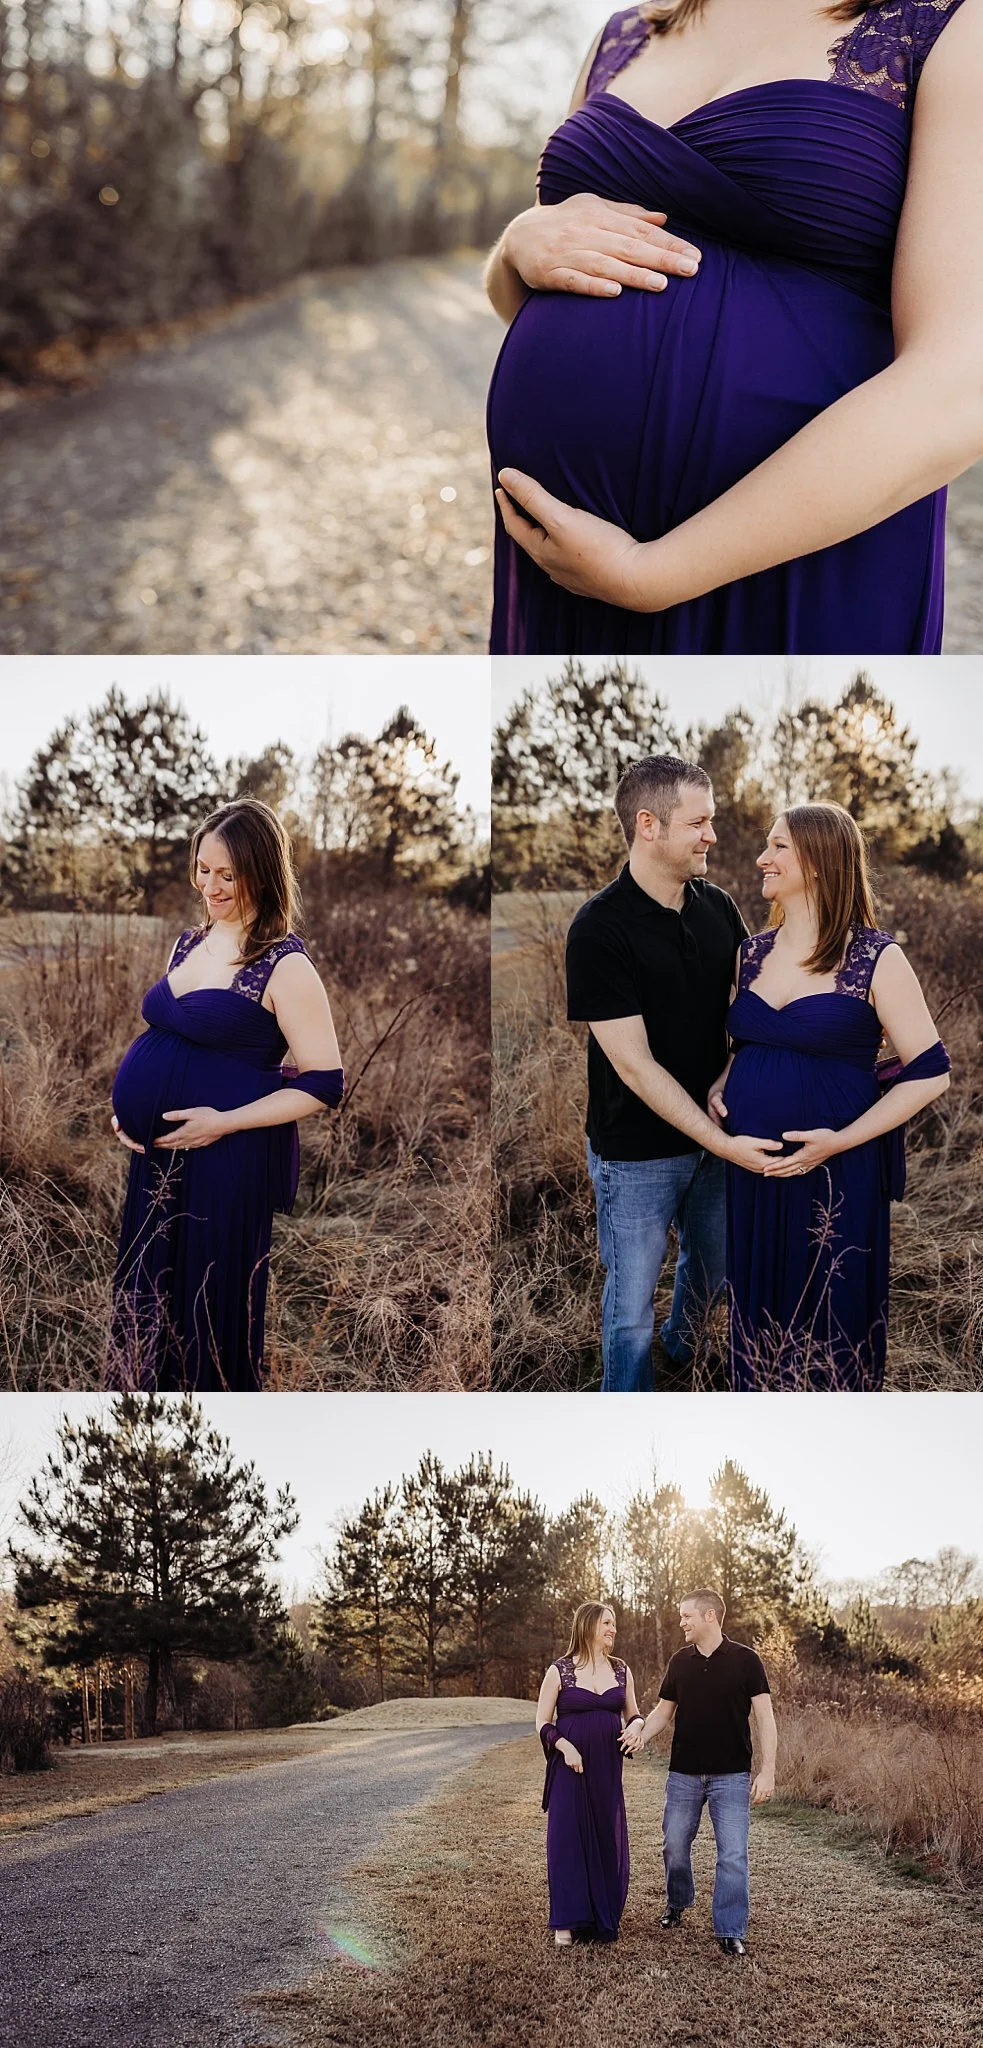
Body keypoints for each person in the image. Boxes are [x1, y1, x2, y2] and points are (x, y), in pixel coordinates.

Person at [485, 0, 983, 656]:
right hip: (563, 559)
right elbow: (540, 287)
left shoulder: (950, 23)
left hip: (794, 565)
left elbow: (958, 385)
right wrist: (515, 246)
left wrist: (653, 573)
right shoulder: (625, 32)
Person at [109, 798, 344, 1391]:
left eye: (227, 875)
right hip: (156, 1158)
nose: (209, 886)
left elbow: (323, 1082)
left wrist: (224, 1122)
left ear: (260, 873)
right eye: (202, 869)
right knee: (148, 1303)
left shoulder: (285, 966)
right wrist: (126, 1108)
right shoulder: (188, 944)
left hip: (223, 1159)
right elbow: (164, 1033)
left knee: (208, 1311)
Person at [565, 754, 782, 1391]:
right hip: (635, 1154)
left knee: (713, 1270)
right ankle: (627, 1401)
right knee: (630, 1309)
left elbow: (749, 1007)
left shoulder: (716, 906)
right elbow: (633, 1067)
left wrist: (730, 1071)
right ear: (649, 825)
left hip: (716, 1137)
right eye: (700, 822)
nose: (713, 835)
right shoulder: (598, 930)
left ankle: (683, 1349)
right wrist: (726, 1146)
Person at [715, 802, 951, 1389]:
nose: (761, 857)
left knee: (829, 1317)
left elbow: (931, 1071)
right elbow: (742, 1042)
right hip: (754, 1169)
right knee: (762, 1308)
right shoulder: (749, 955)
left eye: (778, 847)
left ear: (817, 861)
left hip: (836, 1171)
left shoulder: (876, 958)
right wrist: (726, 1075)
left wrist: (838, 1142)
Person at [622, 1590, 776, 1955]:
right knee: (674, 1846)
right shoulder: (679, 1661)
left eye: (686, 1616)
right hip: (684, 1774)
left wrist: (767, 1771)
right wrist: (640, 1732)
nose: (681, 1623)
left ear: (710, 1616)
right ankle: (677, 1902)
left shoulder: (747, 1661)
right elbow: (663, 1711)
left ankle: (729, 1929)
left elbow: (765, 1719)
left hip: (732, 1775)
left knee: (733, 1853)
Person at [535, 1601, 642, 1945]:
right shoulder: (560, 1670)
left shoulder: (621, 1670)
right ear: (588, 1625)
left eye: (614, 1624)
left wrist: (637, 1729)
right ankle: (566, 1921)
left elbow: (634, 1714)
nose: (613, 1629)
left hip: (608, 1768)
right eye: (608, 1623)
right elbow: (541, 1721)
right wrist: (564, 1746)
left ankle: (599, 1917)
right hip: (570, 1766)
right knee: (566, 1836)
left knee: (603, 1835)